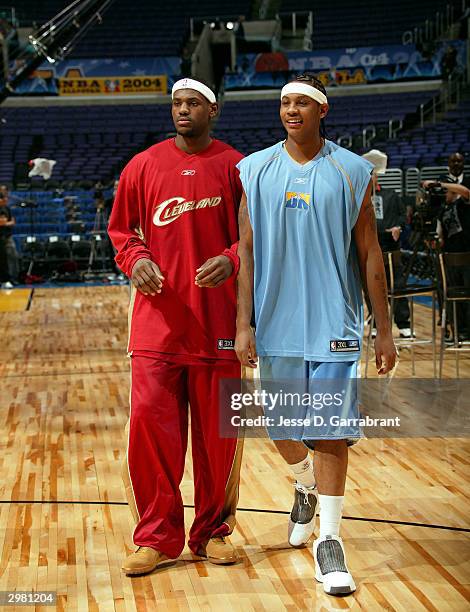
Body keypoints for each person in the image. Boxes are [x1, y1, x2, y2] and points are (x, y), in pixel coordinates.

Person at [235, 73, 396, 596]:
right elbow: (247, 254)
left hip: (336, 322)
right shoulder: (254, 170)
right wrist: (243, 323)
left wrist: (384, 329)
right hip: (276, 321)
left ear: (322, 110)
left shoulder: (351, 171)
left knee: (328, 428)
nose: (291, 110)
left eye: (302, 102)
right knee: (281, 427)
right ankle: (303, 481)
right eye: (284, 102)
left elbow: (371, 252)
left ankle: (330, 539)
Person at [108, 77, 244, 576]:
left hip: (220, 327)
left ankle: (214, 532)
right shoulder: (142, 166)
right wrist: (135, 257)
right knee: (150, 432)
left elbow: (254, 237)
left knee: (221, 437)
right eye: (176, 103)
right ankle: (156, 537)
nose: (182, 110)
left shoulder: (236, 167)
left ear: (214, 110)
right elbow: (122, 232)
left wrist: (231, 259)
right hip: (156, 328)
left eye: (193, 103)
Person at [422, 152, 470, 341]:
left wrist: (440, 185)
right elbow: (438, 215)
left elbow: (466, 192)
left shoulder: (462, 183)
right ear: (448, 163)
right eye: (453, 160)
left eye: (459, 160)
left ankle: (467, 330)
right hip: (448, 249)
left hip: (467, 247)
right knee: (449, 291)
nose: (456, 163)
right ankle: (454, 330)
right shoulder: (441, 183)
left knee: (467, 291)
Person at [364, 157, 411, 338]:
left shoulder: (391, 194)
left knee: (397, 284)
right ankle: (376, 322)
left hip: (391, 245)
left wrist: (398, 227)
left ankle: (404, 323)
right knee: (372, 287)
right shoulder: (360, 199)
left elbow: (402, 216)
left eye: (372, 176)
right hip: (371, 246)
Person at [0, 185, 19, 288]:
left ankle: (12, 278)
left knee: (12, 257)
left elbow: (12, 221)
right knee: (2, 259)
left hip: (7, 236)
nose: (6, 200)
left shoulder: (7, 208)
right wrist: (6, 223)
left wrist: (6, 223)